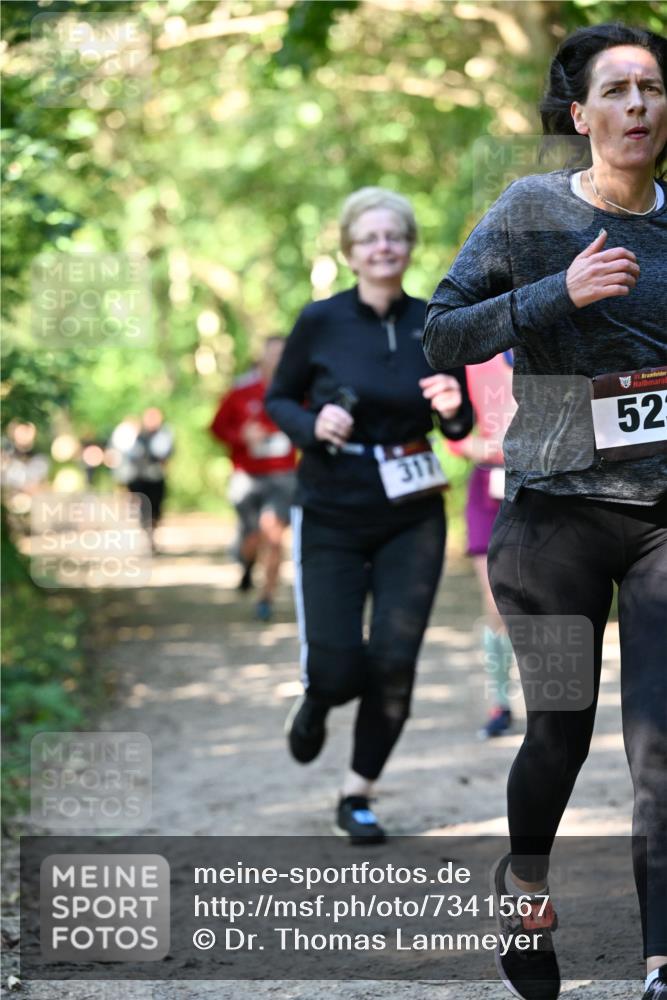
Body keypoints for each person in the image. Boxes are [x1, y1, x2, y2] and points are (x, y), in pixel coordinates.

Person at [423, 22, 666, 1000]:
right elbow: (442, 334)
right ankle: (524, 886)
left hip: (660, 520)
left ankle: (660, 961)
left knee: (660, 741)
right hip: (553, 517)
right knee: (558, 731)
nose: (638, 104)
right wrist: (553, 294)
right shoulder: (530, 212)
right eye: (617, 90)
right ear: (580, 114)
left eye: (652, 87)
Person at [266, 187, 473, 844]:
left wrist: (450, 410)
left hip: (412, 512)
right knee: (335, 665)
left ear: (409, 246)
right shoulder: (320, 320)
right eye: (369, 238)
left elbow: (461, 421)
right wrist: (312, 423)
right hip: (331, 506)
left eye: (394, 236)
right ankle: (319, 698)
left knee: (393, 658)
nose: (383, 247)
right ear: (350, 252)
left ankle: (357, 793)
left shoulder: (435, 321)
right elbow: (278, 399)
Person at [448, 350, 517, 738]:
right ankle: (500, 702)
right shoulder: (474, 357)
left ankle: (554, 704)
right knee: (496, 604)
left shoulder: (553, 338)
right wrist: (475, 446)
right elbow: (452, 428)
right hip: (489, 487)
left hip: (546, 485)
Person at [210, 337, 297, 622]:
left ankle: (266, 598)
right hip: (247, 476)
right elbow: (216, 428)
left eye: (283, 354)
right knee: (252, 537)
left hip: (283, 475)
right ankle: (247, 564)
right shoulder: (241, 393)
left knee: (273, 534)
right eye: (272, 354)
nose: (277, 360)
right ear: (261, 358)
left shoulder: (299, 391)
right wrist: (241, 436)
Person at [108, 407, 174, 551]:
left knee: (156, 507)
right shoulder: (136, 433)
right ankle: (148, 532)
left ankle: (152, 529)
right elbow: (126, 453)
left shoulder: (164, 434)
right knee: (143, 507)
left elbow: (166, 453)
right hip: (138, 477)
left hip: (155, 476)